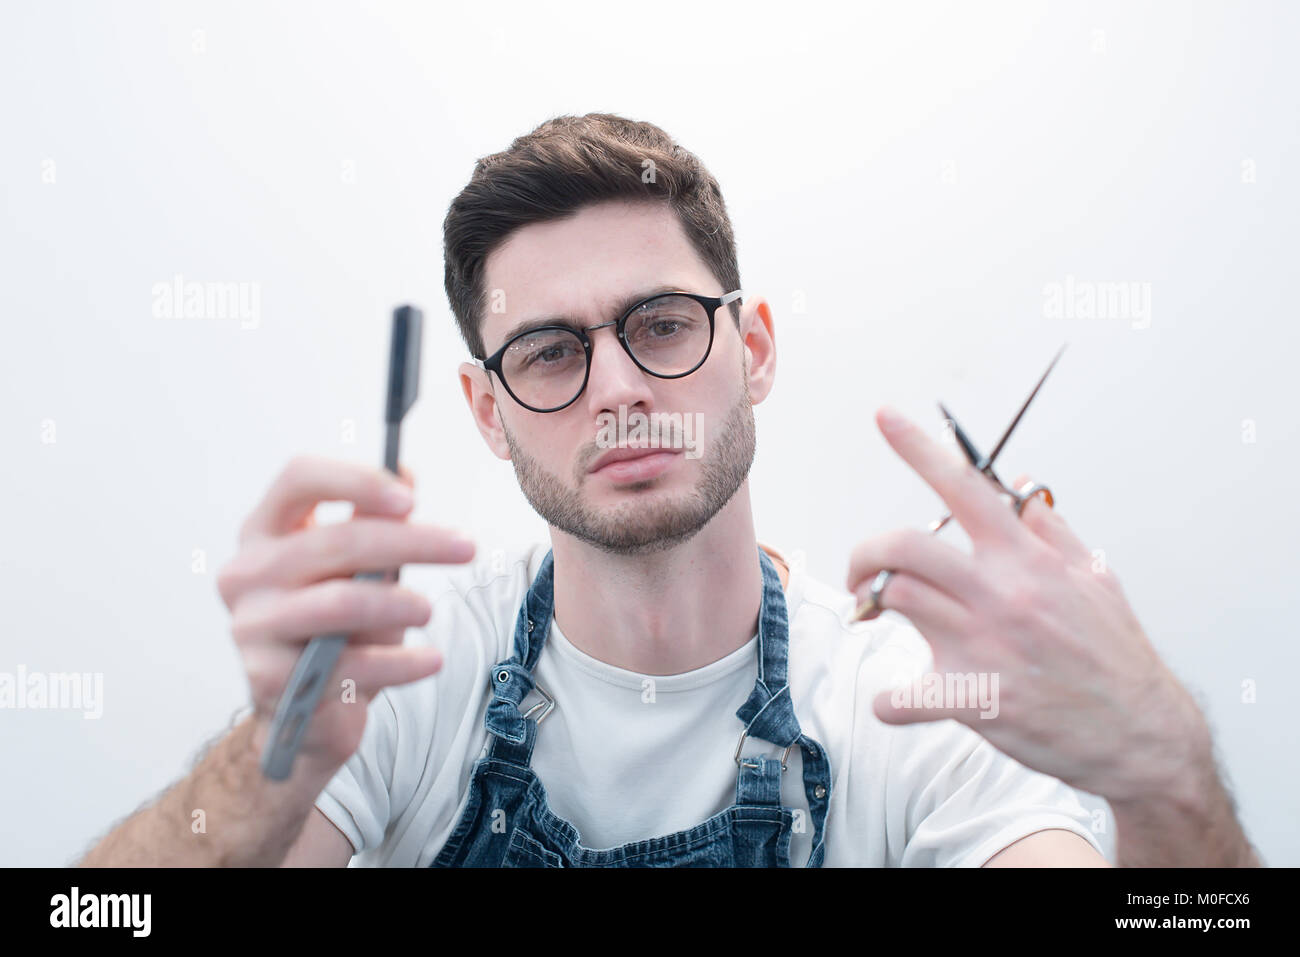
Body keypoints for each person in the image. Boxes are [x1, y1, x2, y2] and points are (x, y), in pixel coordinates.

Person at [80, 113, 1260, 868]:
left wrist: (1165, 773)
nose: (617, 391)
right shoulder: (403, 679)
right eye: (548, 351)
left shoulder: (916, 705)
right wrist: (266, 773)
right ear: (487, 410)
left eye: (658, 325)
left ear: (750, 348)